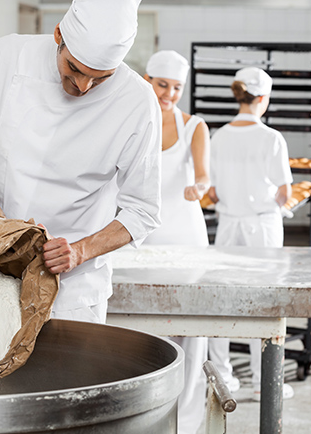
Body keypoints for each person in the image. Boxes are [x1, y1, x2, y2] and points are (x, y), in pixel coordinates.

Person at [0, 0, 162, 324]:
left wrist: (80, 251)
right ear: (58, 34)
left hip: (73, 292)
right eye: (73, 68)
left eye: (101, 78)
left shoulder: (138, 103)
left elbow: (143, 211)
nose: (83, 86)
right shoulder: (8, 56)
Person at [207, 67, 294, 401]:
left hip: (228, 225)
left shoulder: (219, 135)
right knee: (265, 302)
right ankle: (264, 381)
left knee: (222, 301)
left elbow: (211, 193)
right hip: (262, 228)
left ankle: (223, 377)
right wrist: (277, 200)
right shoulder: (271, 138)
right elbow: (285, 192)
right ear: (263, 98)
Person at [143, 50, 211, 434]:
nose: (169, 93)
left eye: (176, 88)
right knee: (148, 326)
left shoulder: (194, 127)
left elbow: (204, 176)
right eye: (162, 85)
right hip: (142, 237)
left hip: (185, 235)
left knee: (191, 326)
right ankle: (151, 415)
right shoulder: (133, 119)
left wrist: (197, 188)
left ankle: (185, 422)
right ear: (148, 79)